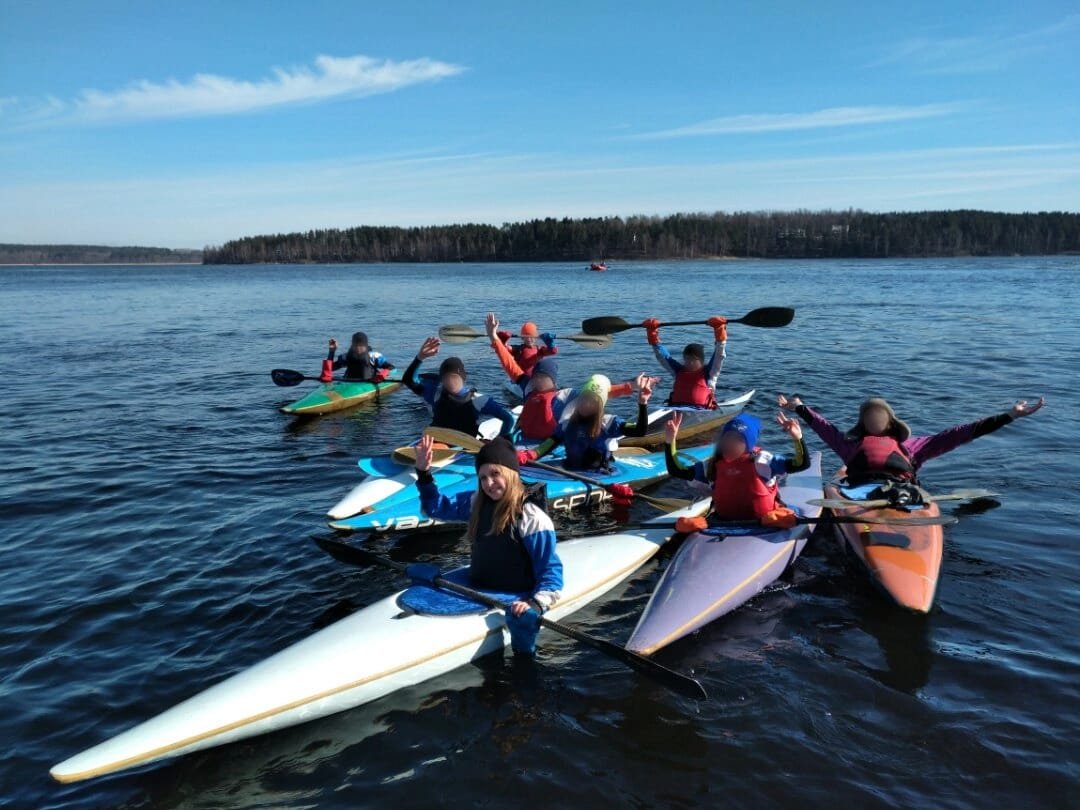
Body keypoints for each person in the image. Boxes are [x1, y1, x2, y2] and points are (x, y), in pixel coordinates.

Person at [411, 435, 563, 656]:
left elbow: (550, 570)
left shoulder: (531, 516)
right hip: (479, 585)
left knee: (524, 633)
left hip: (515, 594)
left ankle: (525, 656)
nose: (489, 483)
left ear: (511, 474)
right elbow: (435, 508)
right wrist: (424, 474)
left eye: (495, 474)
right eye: (483, 477)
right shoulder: (477, 502)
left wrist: (536, 604)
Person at [778, 394, 1046, 487]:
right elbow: (823, 427)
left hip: (882, 495)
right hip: (879, 497)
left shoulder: (910, 447)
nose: (874, 422)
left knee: (843, 475)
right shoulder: (854, 444)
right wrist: (800, 407)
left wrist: (1009, 415)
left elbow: (962, 433)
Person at [485, 313, 651, 442]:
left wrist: (632, 386)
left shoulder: (564, 396)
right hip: (526, 442)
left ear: (552, 381)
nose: (537, 380)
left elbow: (598, 393)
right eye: (536, 376)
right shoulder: (527, 386)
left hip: (547, 445)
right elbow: (508, 363)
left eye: (542, 377)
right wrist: (493, 337)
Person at [665, 411, 809, 529]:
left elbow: (801, 464)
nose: (730, 444)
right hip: (724, 522)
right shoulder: (711, 465)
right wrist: (670, 441)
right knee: (684, 525)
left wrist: (797, 438)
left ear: (749, 445)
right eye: (728, 438)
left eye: (738, 440)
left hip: (765, 522)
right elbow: (677, 471)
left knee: (786, 519)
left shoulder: (762, 461)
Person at [518, 374, 654, 472]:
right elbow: (548, 445)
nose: (586, 404)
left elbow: (639, 431)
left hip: (597, 474)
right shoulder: (567, 423)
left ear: (600, 405)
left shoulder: (609, 423)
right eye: (584, 399)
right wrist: (528, 455)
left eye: (593, 402)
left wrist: (642, 404)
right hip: (569, 468)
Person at [403, 337, 516, 438]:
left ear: (463, 378)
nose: (451, 381)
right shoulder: (434, 394)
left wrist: (502, 440)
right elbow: (409, 380)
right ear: (441, 379)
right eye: (447, 377)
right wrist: (420, 358)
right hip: (439, 443)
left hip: (466, 449)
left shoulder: (478, 400)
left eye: (455, 378)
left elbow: (508, 419)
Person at [642, 316, 728, 408]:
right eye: (687, 359)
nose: (689, 362)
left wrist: (719, 332)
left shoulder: (709, 373)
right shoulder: (678, 371)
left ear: (701, 361)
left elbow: (719, 356)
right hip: (675, 409)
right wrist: (653, 335)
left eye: (693, 360)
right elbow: (663, 357)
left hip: (701, 412)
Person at [491, 316, 557, 378]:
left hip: (535, 380)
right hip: (521, 380)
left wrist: (549, 343)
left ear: (536, 337)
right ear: (522, 338)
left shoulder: (540, 350)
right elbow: (503, 349)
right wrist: (504, 339)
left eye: (532, 336)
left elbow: (553, 351)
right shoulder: (518, 349)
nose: (529, 339)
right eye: (526, 337)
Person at [322, 332, 394, 382]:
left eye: (361, 345)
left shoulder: (373, 356)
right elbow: (329, 369)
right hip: (348, 383)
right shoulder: (347, 356)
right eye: (356, 345)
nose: (358, 348)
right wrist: (332, 351)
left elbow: (391, 367)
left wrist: (382, 375)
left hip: (370, 382)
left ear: (366, 346)